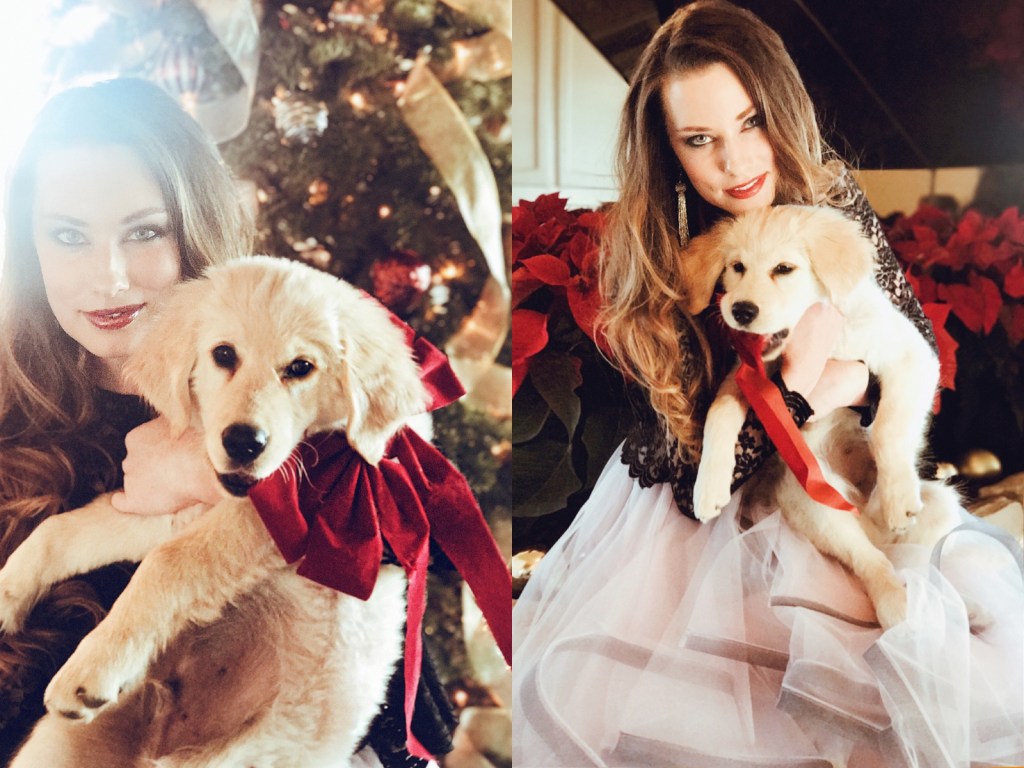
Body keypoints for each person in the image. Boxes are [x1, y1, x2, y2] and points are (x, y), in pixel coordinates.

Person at [512, 3, 1024, 766]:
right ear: (671, 152)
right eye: (700, 140)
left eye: (750, 122)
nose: (736, 161)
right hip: (699, 526)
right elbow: (688, 485)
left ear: (779, 107)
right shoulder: (661, 248)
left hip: (826, 474)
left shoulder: (829, 194)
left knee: (904, 653)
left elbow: (913, 351)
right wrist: (808, 385)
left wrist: (852, 379)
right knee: (727, 708)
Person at [0, 78, 454, 767]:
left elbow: (405, 719)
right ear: (28, 248)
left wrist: (228, 484)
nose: (111, 276)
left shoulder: (309, 392)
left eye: (145, 231)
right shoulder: (13, 426)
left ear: (193, 227)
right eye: (69, 235)